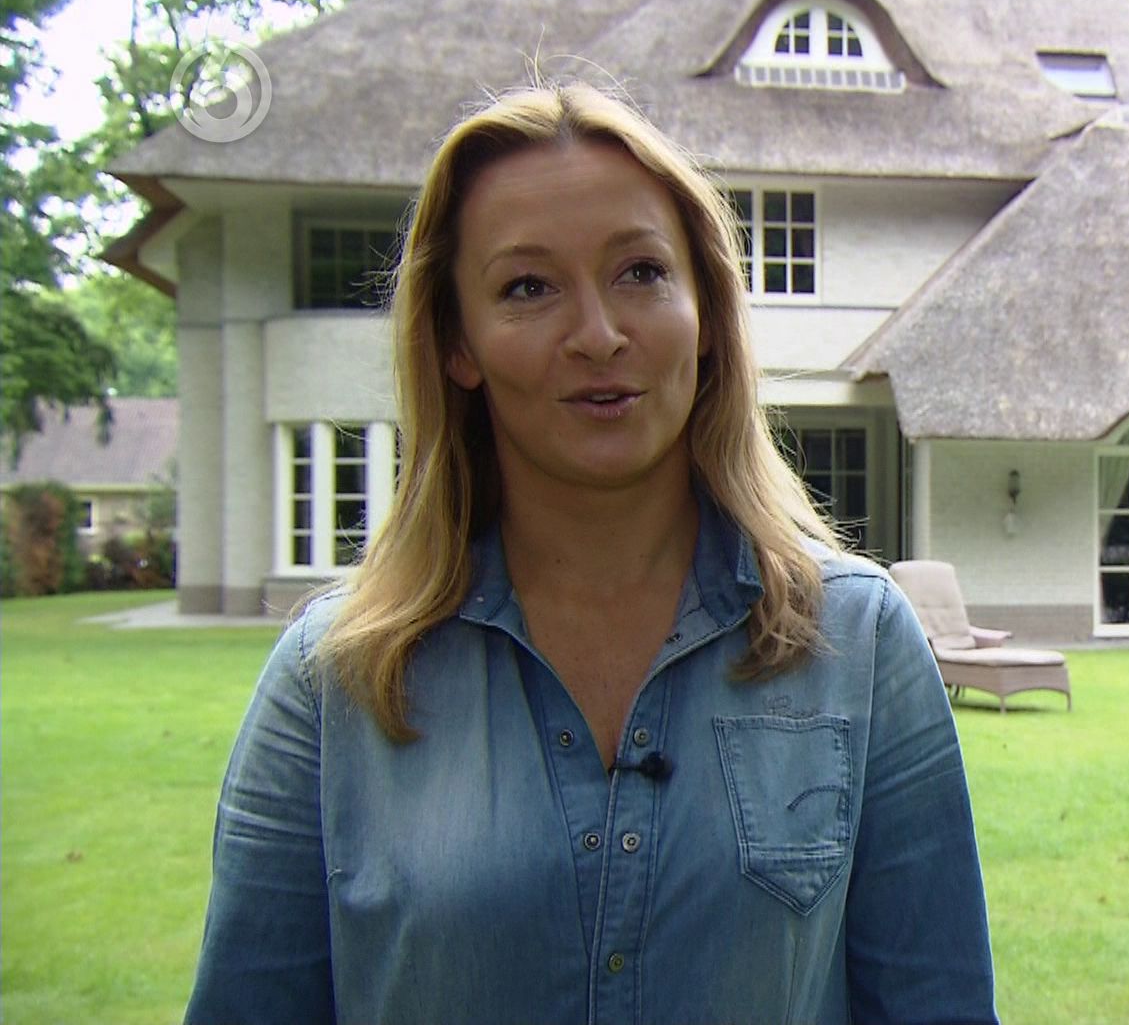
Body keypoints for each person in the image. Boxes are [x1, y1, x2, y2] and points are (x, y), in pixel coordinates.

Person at [184, 83, 996, 1024]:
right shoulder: (334, 683)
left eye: (641, 272)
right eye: (528, 288)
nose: (600, 335)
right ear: (457, 344)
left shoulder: (859, 643)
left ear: (706, 315)